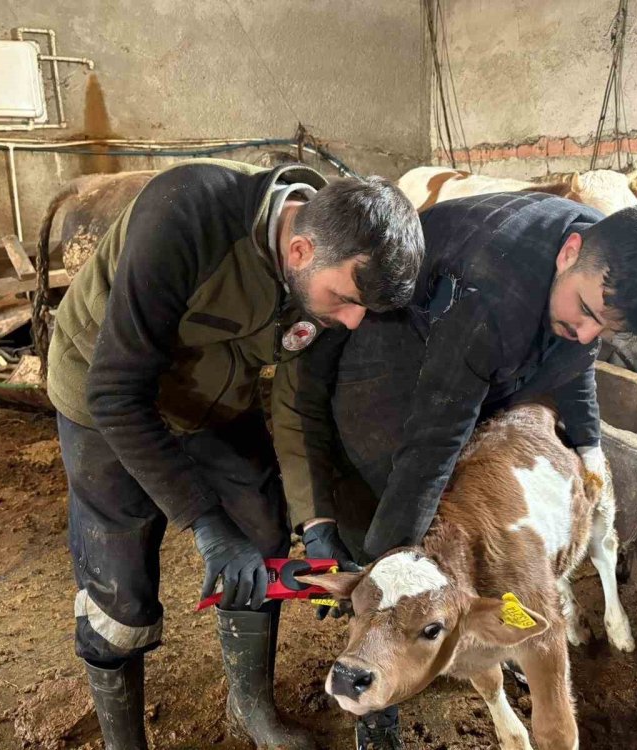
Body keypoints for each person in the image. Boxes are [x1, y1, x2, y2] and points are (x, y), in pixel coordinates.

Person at [272, 192, 637, 749]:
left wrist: (591, 447)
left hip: (472, 375)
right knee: (402, 536)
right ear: (569, 253)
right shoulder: (495, 297)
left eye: (608, 331)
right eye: (590, 315)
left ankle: (444, 627)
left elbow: (575, 362)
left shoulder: (605, 255)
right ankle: (378, 694)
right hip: (386, 384)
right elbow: (433, 440)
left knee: (456, 543)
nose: (591, 335)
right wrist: (389, 565)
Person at [47, 158, 424, 750]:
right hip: (104, 393)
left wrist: (318, 523)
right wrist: (207, 526)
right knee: (120, 586)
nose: (351, 322)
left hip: (211, 399)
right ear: (298, 250)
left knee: (263, 532)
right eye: (346, 301)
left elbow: (295, 408)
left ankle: (250, 711)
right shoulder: (185, 214)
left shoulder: (330, 260)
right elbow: (117, 393)